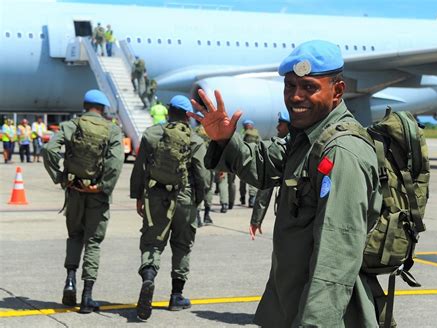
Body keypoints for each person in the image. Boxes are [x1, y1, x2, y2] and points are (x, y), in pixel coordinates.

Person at [190, 40, 382, 327]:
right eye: (290, 86)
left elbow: (336, 254)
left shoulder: (341, 152)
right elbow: (262, 166)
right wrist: (224, 139)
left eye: (309, 87)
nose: (295, 96)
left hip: (319, 313)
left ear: (337, 91)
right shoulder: (305, 139)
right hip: (289, 304)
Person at [42, 89, 124, 314]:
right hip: (97, 195)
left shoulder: (71, 125)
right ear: (104, 108)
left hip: (74, 191)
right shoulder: (112, 130)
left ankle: (70, 281)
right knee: (94, 242)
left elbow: (49, 149)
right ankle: (87, 297)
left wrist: (60, 178)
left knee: (75, 236)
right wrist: (102, 186)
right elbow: (116, 162)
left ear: (85, 105)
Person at [130, 95, 207, 320]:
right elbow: (202, 174)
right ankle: (176, 296)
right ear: (187, 115)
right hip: (185, 198)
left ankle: (148, 278)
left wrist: (138, 196)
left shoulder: (152, 134)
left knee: (152, 243)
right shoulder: (195, 140)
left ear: (168, 111)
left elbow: (140, 168)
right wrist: (198, 200)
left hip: (156, 196)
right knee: (182, 246)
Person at [249, 111, 290, 240]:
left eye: (281, 124)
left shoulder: (284, 149)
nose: (277, 128)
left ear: (290, 126)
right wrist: (256, 220)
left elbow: (265, 190)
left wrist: (256, 220)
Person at [239, 119, 259, 207]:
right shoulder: (256, 133)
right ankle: (251, 198)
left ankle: (245, 197)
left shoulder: (243, 133)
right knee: (251, 179)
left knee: (243, 179)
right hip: (252, 158)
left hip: (244, 158)